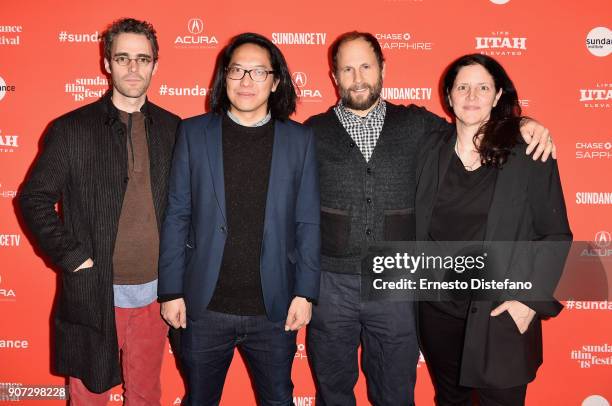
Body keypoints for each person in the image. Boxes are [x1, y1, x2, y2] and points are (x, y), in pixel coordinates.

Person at [304, 32, 556, 406]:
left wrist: (524, 123)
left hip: (396, 281)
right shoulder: (310, 132)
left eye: (366, 66)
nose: (358, 77)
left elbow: (475, 123)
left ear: (383, 69)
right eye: (347, 68)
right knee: (333, 389)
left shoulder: (418, 126)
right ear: (334, 76)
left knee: (395, 391)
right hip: (330, 283)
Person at [18, 18, 180, 405]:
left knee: (146, 393)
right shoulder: (71, 129)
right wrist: (73, 257)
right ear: (107, 63)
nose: (133, 69)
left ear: (156, 65)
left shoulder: (175, 130)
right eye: (123, 58)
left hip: (158, 294)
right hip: (94, 292)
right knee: (88, 394)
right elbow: (33, 198)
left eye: (143, 59)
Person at [157, 32, 320, 406]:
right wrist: (170, 290)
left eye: (259, 72)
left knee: (278, 399)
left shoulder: (299, 141)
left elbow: (308, 222)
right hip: (205, 306)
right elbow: (177, 213)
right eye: (237, 70)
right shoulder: (194, 133)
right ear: (223, 76)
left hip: (274, 308)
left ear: (276, 81)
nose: (246, 81)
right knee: (200, 399)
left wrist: (306, 292)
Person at [415, 53, 572, 405]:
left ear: (498, 96)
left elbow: (555, 235)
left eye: (483, 87)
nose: (472, 96)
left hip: (501, 313)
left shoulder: (528, 153)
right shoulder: (429, 148)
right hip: (439, 314)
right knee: (449, 399)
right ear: (449, 95)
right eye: (463, 87)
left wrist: (528, 303)